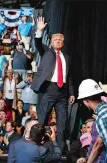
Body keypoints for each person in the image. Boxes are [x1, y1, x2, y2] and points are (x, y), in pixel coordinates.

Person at [31, 16, 75, 152]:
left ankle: (61, 151)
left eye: (60, 40)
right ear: (51, 42)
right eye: (56, 39)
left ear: (63, 43)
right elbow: (37, 43)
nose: (58, 41)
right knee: (43, 120)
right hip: (48, 89)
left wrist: (72, 93)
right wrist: (39, 30)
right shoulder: (46, 52)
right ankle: (38, 146)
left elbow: (70, 76)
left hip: (62, 92)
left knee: (62, 123)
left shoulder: (66, 57)